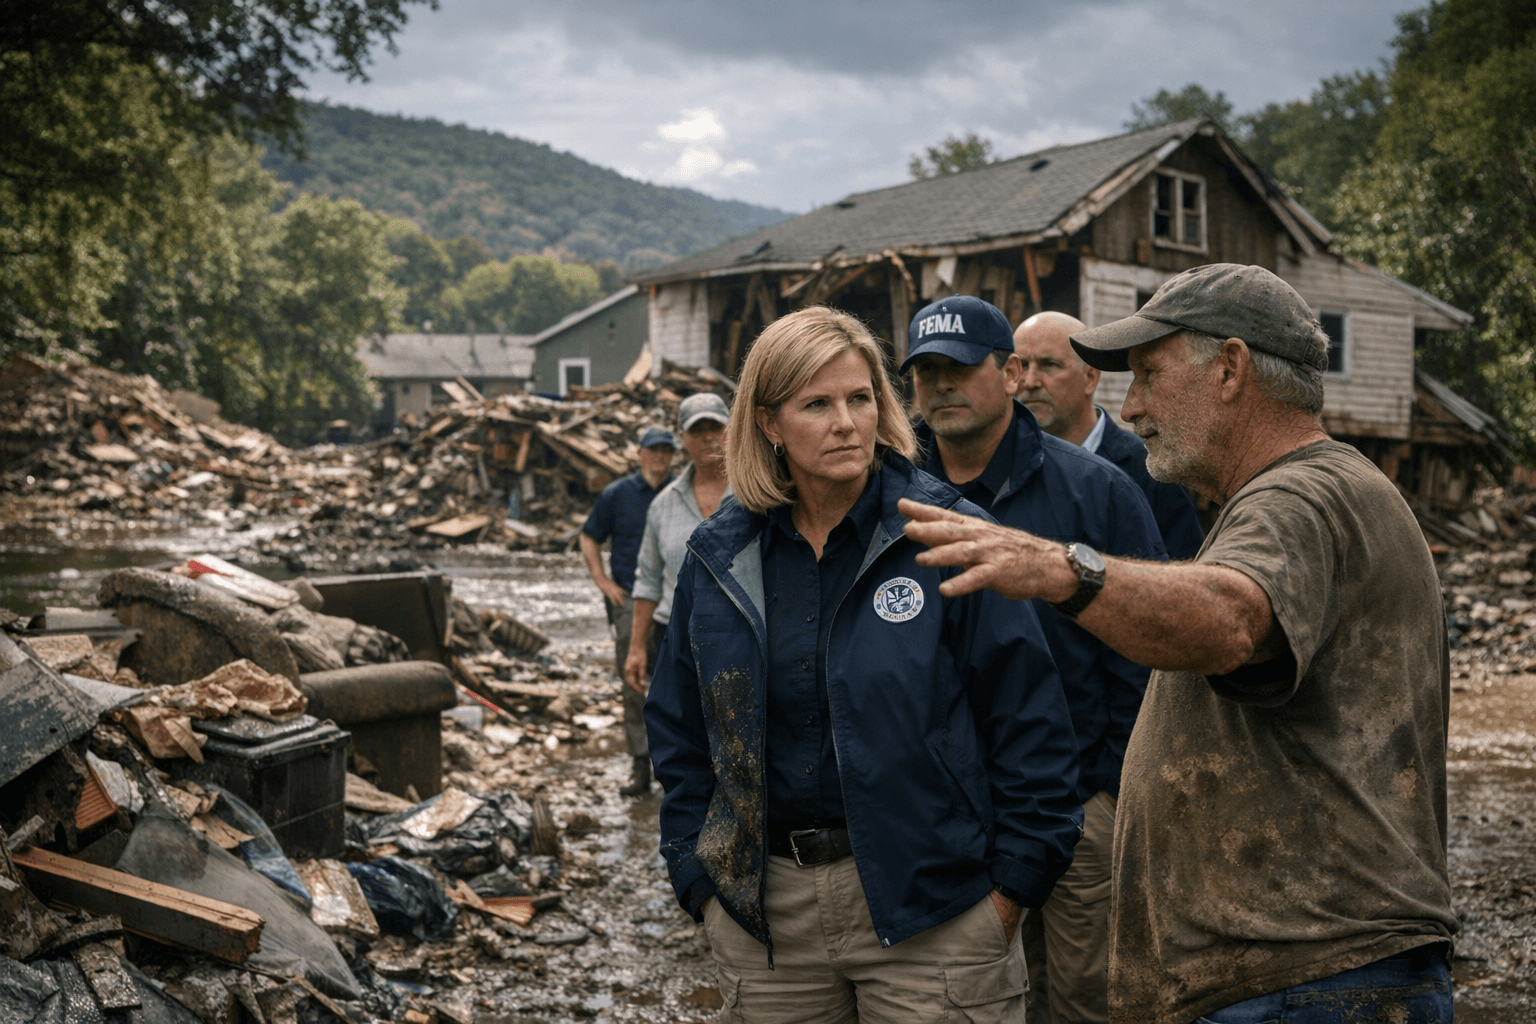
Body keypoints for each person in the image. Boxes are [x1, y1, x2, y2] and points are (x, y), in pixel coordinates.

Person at [899, 264, 1457, 1024]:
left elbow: (1229, 619)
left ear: (1230, 368)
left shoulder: (1299, 497)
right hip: (1296, 975)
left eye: (1150, 376)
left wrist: (1059, 568)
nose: (1128, 408)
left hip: (1308, 976)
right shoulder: (1303, 493)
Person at [645, 306, 1082, 1023]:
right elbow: (681, 726)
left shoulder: (946, 535)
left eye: (860, 398)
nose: (847, 422)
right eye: (816, 404)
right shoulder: (718, 556)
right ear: (767, 422)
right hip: (769, 922)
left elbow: (1031, 721)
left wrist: (1010, 895)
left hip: (936, 909)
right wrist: (696, 878)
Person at [902, 295, 1166, 1024]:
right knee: (958, 1003)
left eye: (958, 369)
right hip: (945, 818)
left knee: (1084, 999)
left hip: (1078, 799)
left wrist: (1111, 788)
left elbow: (1147, 647)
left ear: (1009, 373)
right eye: (925, 373)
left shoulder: (1096, 489)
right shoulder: (891, 495)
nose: (941, 387)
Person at [1014, 310, 1204, 560]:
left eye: (1049, 365)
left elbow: (1183, 579)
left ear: (1090, 378)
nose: (1029, 381)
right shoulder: (1005, 462)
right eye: (1022, 366)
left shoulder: (1149, 470)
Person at [624, 392, 733, 792]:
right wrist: (636, 646)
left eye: (714, 428)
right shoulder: (663, 506)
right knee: (684, 737)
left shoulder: (757, 491)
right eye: (697, 430)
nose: (708, 438)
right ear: (683, 439)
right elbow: (648, 579)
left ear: (730, 430)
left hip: (742, 634)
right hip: (676, 636)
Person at [580, 425, 677, 797]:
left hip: (673, 600)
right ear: (639, 454)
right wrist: (601, 580)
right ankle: (640, 763)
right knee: (634, 681)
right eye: (652, 450)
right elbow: (589, 537)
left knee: (676, 682)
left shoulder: (680, 493)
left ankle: (673, 766)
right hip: (629, 600)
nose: (659, 457)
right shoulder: (618, 495)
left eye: (665, 451)